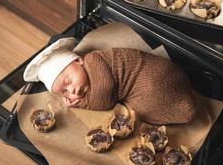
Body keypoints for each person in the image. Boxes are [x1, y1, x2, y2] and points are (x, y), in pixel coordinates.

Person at [23, 37, 197, 124]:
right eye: (65, 93)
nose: (73, 91)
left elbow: (104, 100)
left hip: (155, 78)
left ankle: (182, 108)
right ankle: (181, 103)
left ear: (78, 60)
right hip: (164, 75)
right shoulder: (87, 70)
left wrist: (77, 103)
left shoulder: (95, 61)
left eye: (68, 81)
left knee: (139, 112)